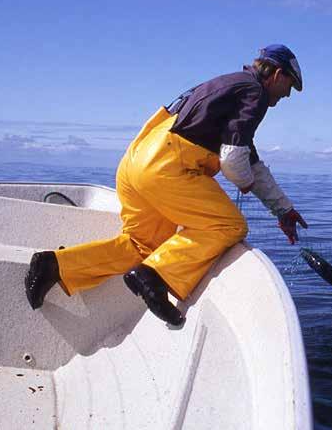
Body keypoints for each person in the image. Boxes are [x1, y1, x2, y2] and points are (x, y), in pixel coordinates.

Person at [25, 44, 308, 326]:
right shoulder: (254, 92)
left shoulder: (226, 87)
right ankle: (156, 277)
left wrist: (284, 210)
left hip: (136, 162)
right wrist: (243, 181)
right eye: (290, 86)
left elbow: (250, 160)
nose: (287, 95)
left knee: (142, 246)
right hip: (168, 167)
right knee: (230, 226)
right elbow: (234, 159)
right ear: (277, 74)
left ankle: (56, 265)